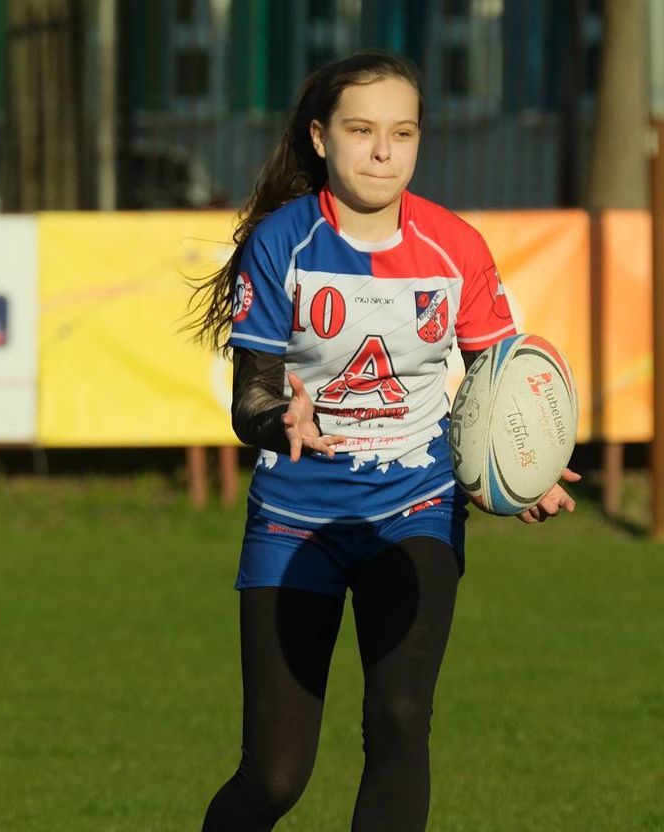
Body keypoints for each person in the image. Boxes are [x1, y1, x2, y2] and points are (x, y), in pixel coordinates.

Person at [189, 53, 580, 832]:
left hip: (417, 509)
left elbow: (499, 379)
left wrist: (529, 468)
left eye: (402, 133)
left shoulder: (454, 247)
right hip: (294, 523)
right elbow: (252, 396)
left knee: (401, 717)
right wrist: (280, 420)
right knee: (273, 779)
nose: (382, 150)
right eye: (362, 130)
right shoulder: (283, 244)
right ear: (321, 138)